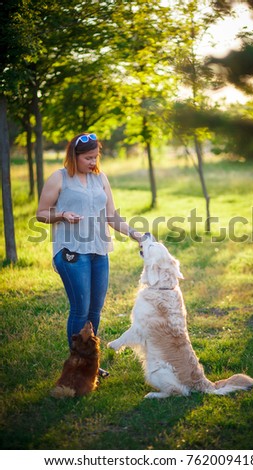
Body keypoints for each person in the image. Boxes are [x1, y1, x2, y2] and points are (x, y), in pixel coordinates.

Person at [36, 133, 142, 376]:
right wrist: (62, 215)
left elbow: (111, 216)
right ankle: (78, 366)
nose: (93, 162)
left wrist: (137, 234)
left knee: (95, 309)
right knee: (80, 308)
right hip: (71, 251)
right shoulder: (59, 178)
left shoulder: (100, 178)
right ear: (74, 156)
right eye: (87, 158)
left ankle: (89, 362)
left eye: (96, 157)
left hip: (99, 250)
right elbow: (41, 213)